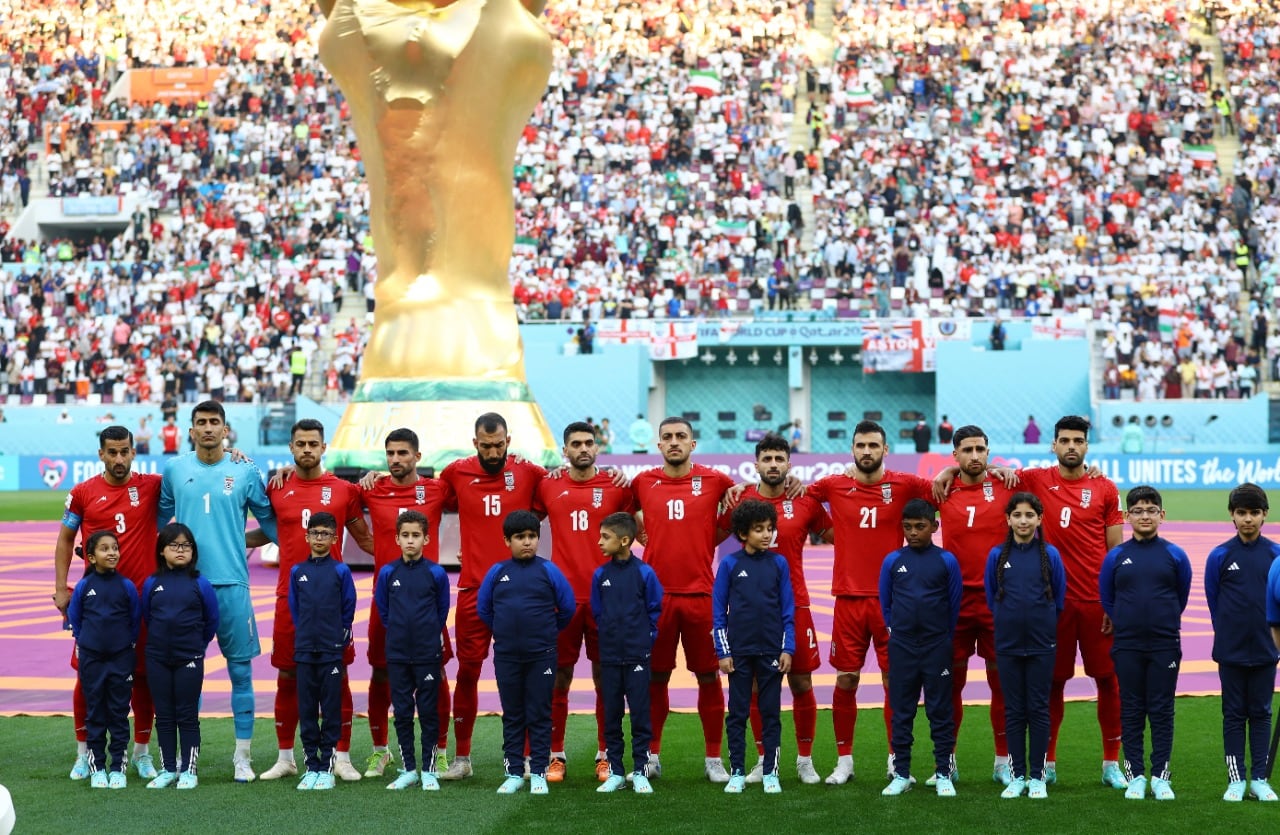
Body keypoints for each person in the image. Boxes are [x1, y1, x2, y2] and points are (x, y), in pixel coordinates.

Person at [159, 400, 279, 782]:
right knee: (187, 676)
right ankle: (184, 758)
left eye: (215, 422)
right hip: (186, 587)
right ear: (190, 430)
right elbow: (157, 527)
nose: (208, 428)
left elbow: (273, 524)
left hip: (232, 585)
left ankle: (242, 758)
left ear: (226, 430)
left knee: (240, 673)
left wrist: (242, 540)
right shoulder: (175, 470)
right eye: (201, 423)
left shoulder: (244, 470)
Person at [807, 420, 932, 786]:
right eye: (860, 445)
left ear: (885, 449)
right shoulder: (832, 485)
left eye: (873, 445)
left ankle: (897, 760)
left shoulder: (905, 483)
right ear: (852, 449)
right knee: (846, 679)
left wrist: (992, 470)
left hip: (895, 601)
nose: (866, 451)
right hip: (848, 600)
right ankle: (844, 760)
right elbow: (795, 494)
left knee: (896, 681)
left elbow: (947, 487)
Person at [253, 419, 374, 783]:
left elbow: (366, 540)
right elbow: (268, 531)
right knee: (288, 674)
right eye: (300, 444)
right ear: (291, 448)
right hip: (289, 598)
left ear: (324, 448)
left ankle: (341, 756)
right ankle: (286, 757)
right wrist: (227, 542)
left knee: (338, 677)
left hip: (333, 600)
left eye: (313, 444)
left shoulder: (344, 491)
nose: (307, 449)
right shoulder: (276, 487)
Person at [1014, 416, 1125, 787]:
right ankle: (1047, 762)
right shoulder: (1034, 480)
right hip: (1052, 605)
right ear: (1053, 445)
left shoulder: (1105, 488)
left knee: (1108, 681)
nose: (1072, 446)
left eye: (1078, 440)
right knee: (1052, 684)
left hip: (1096, 603)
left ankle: (1111, 764)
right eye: (1065, 440)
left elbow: (1115, 552)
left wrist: (1114, 602)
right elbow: (994, 475)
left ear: (1087, 446)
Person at [437, 413, 548, 780]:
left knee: (523, 673)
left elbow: (555, 501)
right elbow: (429, 498)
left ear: (508, 440)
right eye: (486, 446)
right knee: (468, 671)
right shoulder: (455, 472)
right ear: (475, 443)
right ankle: (463, 759)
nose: (493, 451)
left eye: (499, 444)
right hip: (472, 589)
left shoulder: (530, 473)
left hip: (521, 590)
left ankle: (528, 757)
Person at [716, 433, 832, 784]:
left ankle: (805, 760)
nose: (773, 465)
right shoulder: (741, 500)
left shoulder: (806, 500)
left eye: (779, 459)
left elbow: (837, 535)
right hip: (750, 612)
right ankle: (764, 760)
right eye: (767, 459)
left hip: (794, 605)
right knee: (753, 686)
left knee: (801, 682)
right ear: (756, 464)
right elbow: (711, 534)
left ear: (789, 464)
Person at [630, 417, 736, 782]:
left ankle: (713, 759)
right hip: (655, 599)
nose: (674, 442)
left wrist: (710, 539)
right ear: (658, 445)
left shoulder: (716, 480)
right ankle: (652, 756)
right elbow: (620, 509)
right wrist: (645, 537)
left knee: (709, 677)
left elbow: (741, 507)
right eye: (667, 438)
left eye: (681, 437)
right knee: (655, 678)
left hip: (701, 596)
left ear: (693, 443)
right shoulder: (643, 482)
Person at [54, 425, 161, 781]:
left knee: (142, 678)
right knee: (87, 680)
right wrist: (61, 588)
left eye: (124, 451)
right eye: (111, 452)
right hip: (96, 604)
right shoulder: (82, 493)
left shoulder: (151, 485)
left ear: (134, 452)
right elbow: (66, 539)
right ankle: (84, 754)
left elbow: (198, 470)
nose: (119, 458)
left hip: (140, 604)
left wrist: (235, 455)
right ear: (100, 454)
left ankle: (142, 753)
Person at [534, 422, 636, 781]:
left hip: (607, 599)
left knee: (605, 679)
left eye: (588, 443)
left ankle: (604, 755)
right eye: (575, 444)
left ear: (597, 447)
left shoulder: (617, 486)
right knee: (558, 678)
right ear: (565, 450)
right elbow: (524, 522)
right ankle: (555, 755)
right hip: (561, 601)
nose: (582, 448)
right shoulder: (548, 484)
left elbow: (640, 521)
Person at [359, 428, 452, 778]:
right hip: (387, 599)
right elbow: (339, 501)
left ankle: (440, 752)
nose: (396, 459)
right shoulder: (372, 487)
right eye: (390, 453)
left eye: (403, 453)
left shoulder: (437, 488)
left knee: (437, 674)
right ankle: (381, 751)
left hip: (427, 601)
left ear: (417, 456)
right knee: (380, 673)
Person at [1099, 486, 1192, 801]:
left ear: (1161, 516)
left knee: (1162, 709)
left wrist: (1160, 622)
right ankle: (1135, 775)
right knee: (1132, 709)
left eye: (1151, 510)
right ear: (1127, 517)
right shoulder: (1116, 557)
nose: (1144, 515)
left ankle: (1160, 776)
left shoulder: (1174, 555)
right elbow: (1108, 598)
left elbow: (1180, 595)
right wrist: (1127, 622)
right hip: (1127, 645)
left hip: (1165, 644)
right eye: (1137, 510)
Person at [937, 426, 1015, 784]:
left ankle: (1003, 760)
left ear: (989, 452)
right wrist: (944, 473)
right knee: (950, 685)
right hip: (953, 603)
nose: (974, 455)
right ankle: (947, 760)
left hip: (997, 601)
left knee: (1002, 684)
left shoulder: (1009, 486)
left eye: (980, 449)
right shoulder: (940, 488)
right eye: (966, 450)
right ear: (955, 455)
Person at [477, 510, 575, 795]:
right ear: (508, 540)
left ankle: (539, 773)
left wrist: (546, 631)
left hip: (542, 655)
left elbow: (567, 607)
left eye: (532, 537)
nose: (527, 542)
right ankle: (514, 772)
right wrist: (504, 632)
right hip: (507, 655)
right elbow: (484, 609)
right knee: (513, 714)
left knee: (540, 713)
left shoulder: (548, 570)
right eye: (520, 537)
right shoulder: (497, 572)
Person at [878, 499, 962, 797]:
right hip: (902, 647)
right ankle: (901, 773)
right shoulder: (892, 561)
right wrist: (897, 633)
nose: (913, 532)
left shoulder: (946, 561)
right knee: (902, 711)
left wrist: (939, 636)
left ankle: (942, 773)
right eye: (908, 527)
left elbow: (953, 605)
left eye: (920, 527)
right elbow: (886, 603)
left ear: (934, 527)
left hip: (936, 646)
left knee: (940, 711)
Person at [985, 493, 1065, 800]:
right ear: (1008, 519)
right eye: (1017, 515)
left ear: (1039, 519)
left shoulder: (1051, 556)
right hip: (1007, 645)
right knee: (1014, 710)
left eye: (1029, 515)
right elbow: (993, 596)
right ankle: (1017, 775)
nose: (1023, 520)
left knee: (1038, 709)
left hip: (1042, 644)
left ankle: (1038, 777)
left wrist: (1041, 626)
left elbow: (1058, 600)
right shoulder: (997, 556)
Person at [713, 500, 796, 795]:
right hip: (739, 653)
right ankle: (737, 770)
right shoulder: (730, 564)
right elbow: (719, 611)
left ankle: (771, 771)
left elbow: (788, 609)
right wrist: (723, 652)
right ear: (742, 533)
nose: (766, 535)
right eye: (758, 529)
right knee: (737, 713)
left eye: (769, 529)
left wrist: (788, 649)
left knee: (771, 713)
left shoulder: (779, 563)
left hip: (772, 651)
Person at [1205, 483, 1280, 802]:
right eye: (1241, 513)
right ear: (1231, 516)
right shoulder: (1220, 555)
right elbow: (1213, 602)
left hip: (1266, 650)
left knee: (1261, 713)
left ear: (1265, 515)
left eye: (1254, 513)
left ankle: (1260, 779)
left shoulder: (1276, 555)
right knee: (1233, 714)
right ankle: (1236, 780)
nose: (1247, 519)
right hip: (1231, 651)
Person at [373, 511, 452, 791]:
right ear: (397, 538)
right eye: (405, 535)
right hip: (396, 654)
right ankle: (408, 768)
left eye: (415, 535)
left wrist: (426, 634)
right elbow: (384, 610)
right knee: (403, 712)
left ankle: (429, 769)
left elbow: (442, 611)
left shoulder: (436, 573)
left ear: (426, 539)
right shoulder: (387, 573)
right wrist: (398, 632)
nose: (410, 541)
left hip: (427, 653)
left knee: (429, 712)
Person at [140, 523, 219, 790]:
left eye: (186, 545)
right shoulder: (152, 583)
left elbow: (211, 621)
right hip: (157, 657)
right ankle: (168, 769)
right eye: (174, 545)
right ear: (162, 551)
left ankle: (189, 769)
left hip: (189, 658)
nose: (181, 550)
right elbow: (147, 617)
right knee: (163, 715)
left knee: (186, 715)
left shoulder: (201, 584)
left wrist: (196, 646)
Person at [591, 512, 662, 794]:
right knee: (612, 716)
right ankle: (617, 772)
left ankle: (640, 771)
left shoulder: (645, 572)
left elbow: (654, 609)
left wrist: (643, 640)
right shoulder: (600, 574)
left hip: (637, 656)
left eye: (605, 537)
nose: (599, 542)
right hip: (609, 656)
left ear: (624, 541)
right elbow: (598, 612)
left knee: (640, 715)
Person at [288, 513, 357, 792]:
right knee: (306, 710)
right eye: (314, 533)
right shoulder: (297, 571)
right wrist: (306, 634)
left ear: (334, 538)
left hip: (331, 651)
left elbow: (348, 609)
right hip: (305, 650)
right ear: (307, 537)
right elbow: (295, 610)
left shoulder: (341, 571)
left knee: (330, 710)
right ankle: (311, 767)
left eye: (325, 533)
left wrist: (336, 639)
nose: (319, 538)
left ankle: (327, 767)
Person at [66, 530, 141, 788]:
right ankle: (97, 767)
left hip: (121, 659)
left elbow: (134, 620)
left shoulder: (126, 586)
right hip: (92, 660)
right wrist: (90, 644)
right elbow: (75, 620)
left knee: (119, 714)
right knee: (95, 713)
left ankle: (117, 768)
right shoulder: (84, 587)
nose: (111, 553)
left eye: (115, 548)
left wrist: (122, 646)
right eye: (104, 549)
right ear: (91, 557)